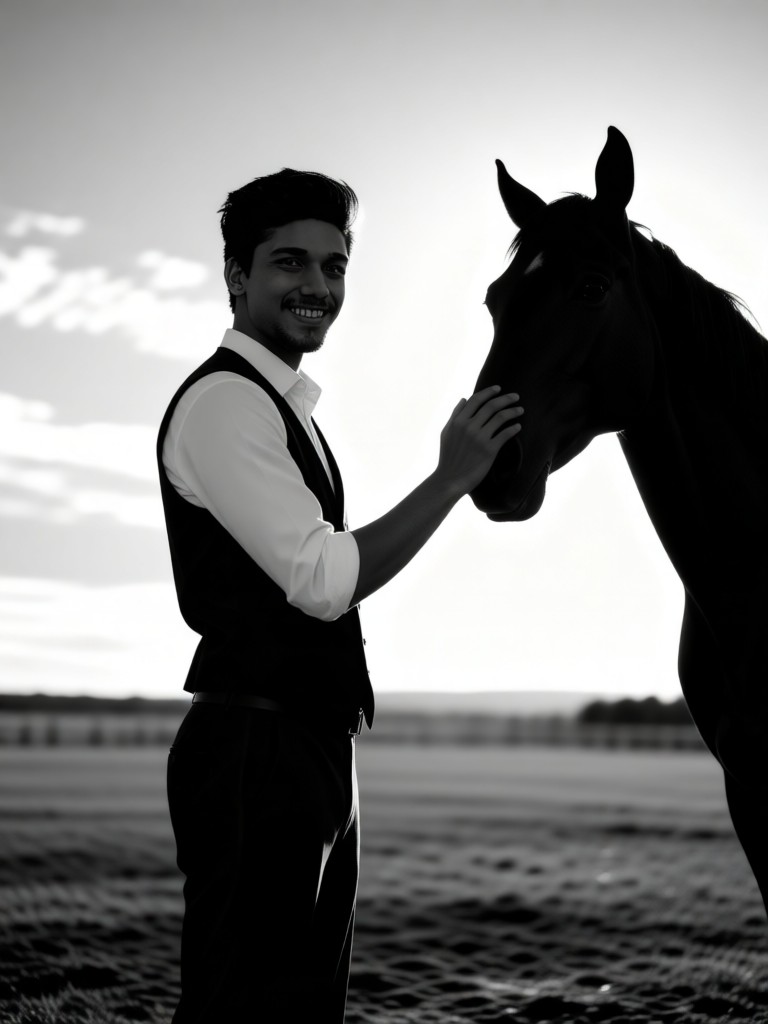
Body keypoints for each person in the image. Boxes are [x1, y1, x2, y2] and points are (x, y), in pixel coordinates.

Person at [157, 168, 523, 1023]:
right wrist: (451, 478)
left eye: (335, 265)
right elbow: (322, 581)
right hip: (256, 749)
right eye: (290, 263)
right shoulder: (223, 404)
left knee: (302, 1008)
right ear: (237, 276)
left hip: (307, 747)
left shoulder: (290, 407)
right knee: (239, 1011)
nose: (317, 287)